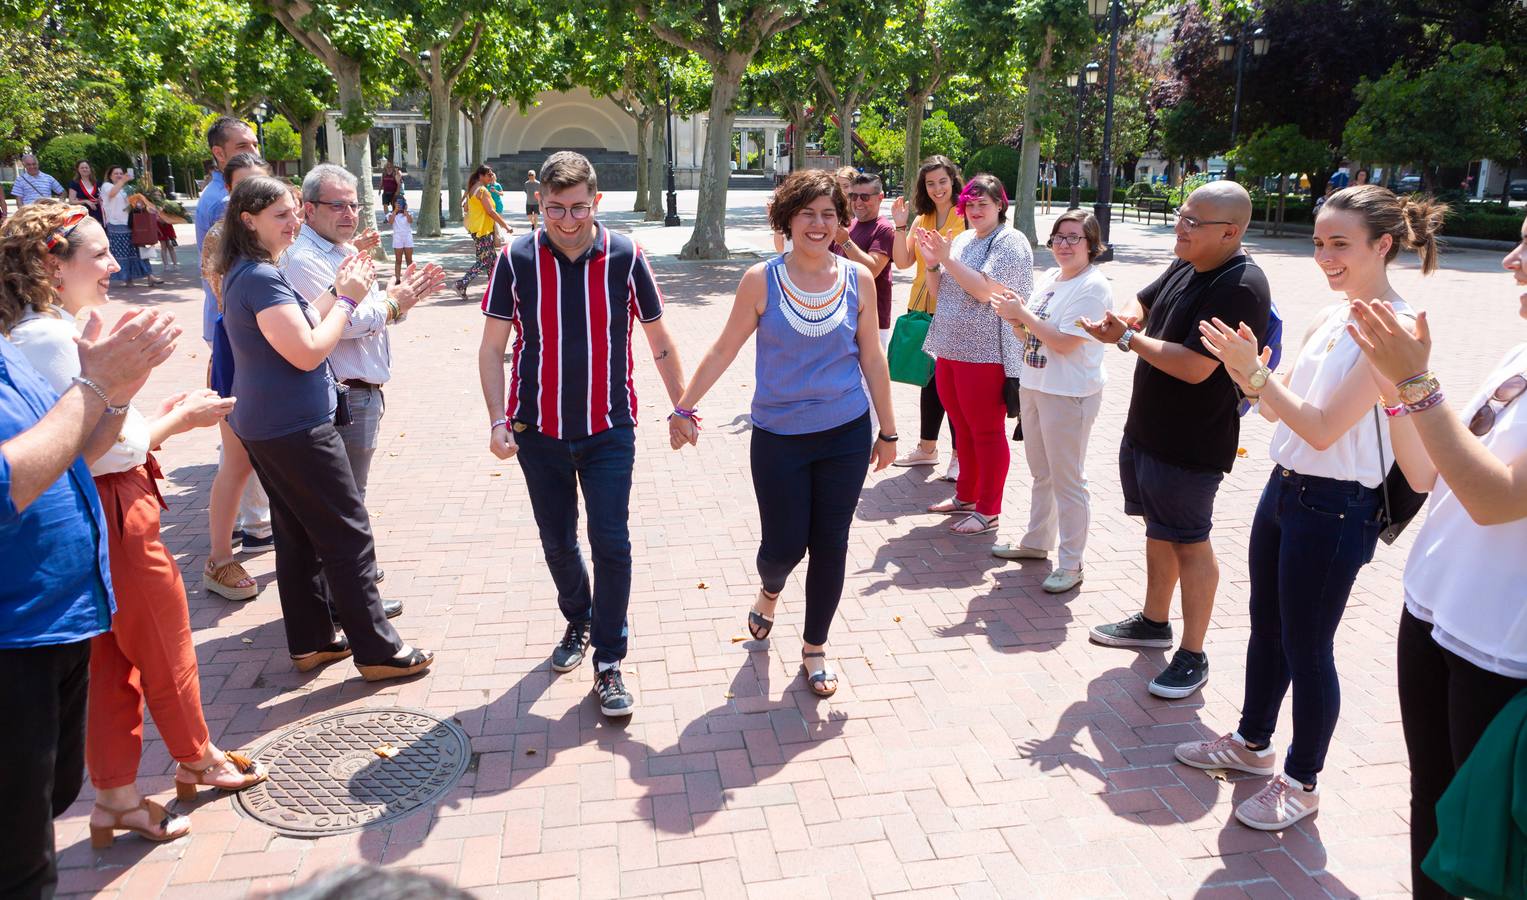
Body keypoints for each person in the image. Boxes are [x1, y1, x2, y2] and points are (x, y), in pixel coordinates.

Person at [1176, 185, 1446, 832]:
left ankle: (1301, 781)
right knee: (1265, 627)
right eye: (1318, 242)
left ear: (1382, 245)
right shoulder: (1332, 316)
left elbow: (1322, 426)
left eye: (1339, 244)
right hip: (1285, 487)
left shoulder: (1394, 327)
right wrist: (1248, 373)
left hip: (1336, 505)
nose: (1323, 256)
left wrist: (1256, 377)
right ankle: (1250, 742)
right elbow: (1279, 404)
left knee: (1307, 645)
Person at [3, 202, 267, 851]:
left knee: (110, 659)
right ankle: (195, 757)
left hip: (99, 500)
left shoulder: (44, 332)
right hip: (111, 503)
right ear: (51, 264)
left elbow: (99, 436)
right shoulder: (48, 338)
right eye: (97, 252)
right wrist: (167, 416)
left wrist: (166, 416)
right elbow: (97, 446)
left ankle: (118, 793)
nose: (115, 261)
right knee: (162, 643)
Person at [1347, 212, 1527, 897]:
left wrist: (1417, 384)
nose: (1510, 260)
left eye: (1526, 246)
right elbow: (1426, 476)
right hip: (1431, 612)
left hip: (1499, 650)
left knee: (1482, 843)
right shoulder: (1517, 355)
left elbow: (1492, 497)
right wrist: (1396, 388)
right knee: (1431, 804)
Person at [669, 169, 897, 698]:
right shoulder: (760, 280)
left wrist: (887, 431)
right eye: (807, 213)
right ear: (787, 219)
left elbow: (872, 357)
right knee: (782, 546)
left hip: (844, 431)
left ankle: (815, 647)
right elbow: (724, 348)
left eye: (828, 214)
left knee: (831, 545)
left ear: (840, 222)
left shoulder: (858, 280)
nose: (818, 224)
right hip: (777, 437)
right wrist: (684, 406)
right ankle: (770, 590)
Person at [477, 151, 686, 717]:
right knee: (557, 541)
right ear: (538, 204)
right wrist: (497, 419)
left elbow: (659, 338)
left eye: (577, 208)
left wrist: (682, 405)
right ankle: (580, 617)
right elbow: (494, 349)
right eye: (554, 209)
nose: (567, 221)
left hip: (609, 427)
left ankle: (609, 661)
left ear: (596, 202)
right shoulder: (516, 259)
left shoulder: (625, 255)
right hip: (536, 429)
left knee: (611, 542)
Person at [0, 236, 178, 896]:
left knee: (47, 801)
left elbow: (75, 447)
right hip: (14, 634)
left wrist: (117, 391)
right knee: (20, 860)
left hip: (55, 620)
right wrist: (98, 386)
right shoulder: (36, 337)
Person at [218, 175, 433, 682]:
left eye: (295, 212)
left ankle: (313, 642)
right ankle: (378, 649)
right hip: (295, 425)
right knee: (347, 533)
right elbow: (309, 348)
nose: (294, 223)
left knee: (297, 535)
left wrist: (339, 290)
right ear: (249, 221)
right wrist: (350, 300)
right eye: (282, 216)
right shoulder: (262, 276)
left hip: (269, 422)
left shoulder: (250, 271)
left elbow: (296, 323)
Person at [1081, 181, 1272, 700]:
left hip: (1193, 441)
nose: (1180, 227)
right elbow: (1144, 303)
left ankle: (1193, 652)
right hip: (1149, 427)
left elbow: (1193, 367)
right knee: (1159, 531)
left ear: (1230, 232)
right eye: (1180, 216)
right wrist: (1124, 318)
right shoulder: (1190, 260)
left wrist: (1124, 338)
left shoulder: (1240, 286)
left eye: (1193, 222)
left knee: (1190, 541)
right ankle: (1153, 620)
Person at [282, 164, 445, 587]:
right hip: (343, 397)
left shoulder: (342, 253)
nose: (349, 214)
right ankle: (349, 592)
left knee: (349, 499)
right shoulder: (304, 259)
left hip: (360, 393)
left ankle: (351, 582)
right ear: (309, 210)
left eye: (354, 205)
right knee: (344, 504)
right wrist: (392, 304)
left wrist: (398, 299)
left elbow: (368, 312)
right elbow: (349, 320)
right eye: (338, 205)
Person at [991, 209, 1113, 594]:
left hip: (1069, 392)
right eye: (1058, 237)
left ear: (1092, 245)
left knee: (1069, 479)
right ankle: (1036, 541)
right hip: (1036, 383)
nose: (1063, 245)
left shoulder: (1093, 287)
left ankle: (1072, 562)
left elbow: (1063, 342)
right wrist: (1014, 319)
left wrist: (1021, 312)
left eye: (1073, 238)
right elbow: (1032, 335)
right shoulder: (1050, 278)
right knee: (1043, 472)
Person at [917, 173, 1033, 536]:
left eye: (984, 203)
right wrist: (933, 263)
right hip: (950, 346)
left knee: (985, 430)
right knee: (962, 427)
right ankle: (966, 495)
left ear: (1001, 205)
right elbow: (939, 291)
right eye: (970, 203)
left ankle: (989, 510)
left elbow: (986, 291)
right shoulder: (965, 239)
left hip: (986, 352)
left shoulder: (1010, 241)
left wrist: (946, 260)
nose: (976, 209)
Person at [194, 116, 270, 561]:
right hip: (238, 341)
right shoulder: (220, 220)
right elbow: (224, 290)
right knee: (239, 449)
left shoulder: (249, 228)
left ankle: (255, 524)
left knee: (245, 448)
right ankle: (247, 532)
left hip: (245, 338)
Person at [890, 156, 966, 480]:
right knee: (930, 382)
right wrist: (900, 225)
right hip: (921, 309)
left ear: (953, 181)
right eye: (930, 183)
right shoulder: (924, 218)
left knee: (953, 386)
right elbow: (904, 261)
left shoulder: (967, 218)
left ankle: (959, 455)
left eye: (942, 182)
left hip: (954, 309)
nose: (937, 189)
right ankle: (927, 448)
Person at [834, 173, 896, 349]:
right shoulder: (850, 224)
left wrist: (845, 242)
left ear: (880, 198)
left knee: (868, 376)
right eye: (853, 196)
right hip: (843, 314)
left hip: (871, 320)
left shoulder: (884, 229)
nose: (858, 202)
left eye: (865, 197)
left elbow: (873, 269)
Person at [454, 164, 513, 300]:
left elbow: (467, 208)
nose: (491, 177)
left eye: (492, 175)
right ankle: (461, 284)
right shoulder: (481, 191)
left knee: (492, 261)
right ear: (481, 176)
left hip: (477, 229)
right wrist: (505, 226)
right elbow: (491, 211)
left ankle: (495, 290)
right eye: (489, 175)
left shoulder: (473, 189)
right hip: (483, 230)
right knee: (484, 261)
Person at [101, 166, 161, 287]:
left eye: (120, 173)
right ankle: (128, 279)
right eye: (116, 173)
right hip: (116, 224)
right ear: (110, 176)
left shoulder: (128, 188)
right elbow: (112, 194)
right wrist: (123, 180)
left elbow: (136, 204)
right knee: (124, 253)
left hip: (132, 223)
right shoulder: (106, 186)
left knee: (140, 249)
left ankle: (150, 276)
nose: (119, 175)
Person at [388, 194, 415, 284]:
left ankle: (410, 277)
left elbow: (410, 221)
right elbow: (390, 222)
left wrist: (406, 212)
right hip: (397, 237)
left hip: (407, 236)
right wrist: (395, 211)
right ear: (393, 204)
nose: (399, 204)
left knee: (409, 259)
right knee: (398, 259)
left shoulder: (408, 212)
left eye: (401, 202)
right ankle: (398, 279)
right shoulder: (391, 214)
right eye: (397, 202)